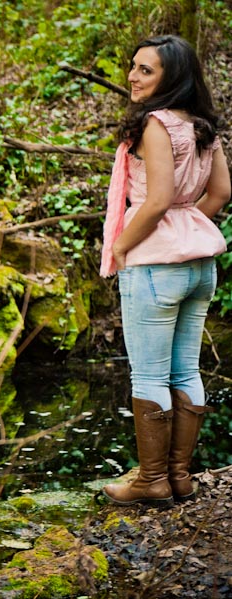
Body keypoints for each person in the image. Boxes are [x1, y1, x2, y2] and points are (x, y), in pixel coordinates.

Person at [100, 34, 231, 507]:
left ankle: (152, 479)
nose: (133, 77)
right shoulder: (201, 126)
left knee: (150, 376)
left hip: (155, 266)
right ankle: (179, 476)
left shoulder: (156, 125)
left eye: (146, 70)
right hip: (199, 266)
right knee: (184, 370)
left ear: (171, 78)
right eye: (133, 67)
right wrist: (187, 225)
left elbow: (155, 202)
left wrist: (119, 247)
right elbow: (218, 195)